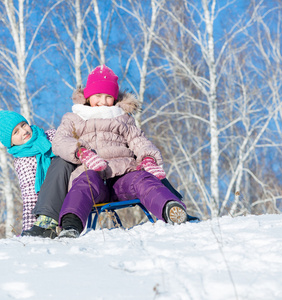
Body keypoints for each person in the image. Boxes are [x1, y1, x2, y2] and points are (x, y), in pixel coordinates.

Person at [52, 65, 189, 238]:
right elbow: (60, 141)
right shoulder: (74, 118)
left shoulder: (122, 118)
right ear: (87, 96)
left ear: (115, 98)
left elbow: (138, 140)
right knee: (84, 184)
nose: (103, 101)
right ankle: (71, 224)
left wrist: (148, 158)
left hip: (123, 174)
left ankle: (170, 208)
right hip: (92, 173)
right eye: (98, 96)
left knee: (142, 179)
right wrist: (81, 152)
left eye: (108, 97)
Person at [0, 111, 75, 238]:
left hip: (73, 183)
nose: (24, 131)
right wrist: (29, 229)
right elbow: (30, 197)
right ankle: (46, 225)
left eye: (23, 125)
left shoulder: (51, 136)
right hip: (50, 202)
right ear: (10, 143)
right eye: (16, 132)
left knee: (61, 160)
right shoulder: (22, 162)